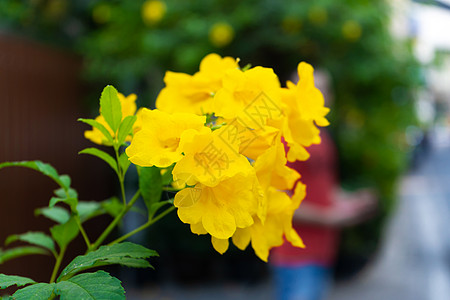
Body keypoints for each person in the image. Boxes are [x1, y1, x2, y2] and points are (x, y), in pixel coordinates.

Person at [269, 130, 377, 300]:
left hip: (323, 253)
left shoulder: (322, 137)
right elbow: (278, 200)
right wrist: (328, 218)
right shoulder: (286, 136)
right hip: (296, 255)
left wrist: (352, 201)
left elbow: (325, 190)